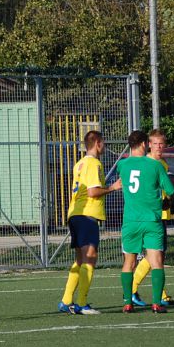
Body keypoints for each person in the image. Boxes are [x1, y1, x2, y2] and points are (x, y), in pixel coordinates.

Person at [58, 130, 122, 315]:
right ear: (98, 143)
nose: (105, 146)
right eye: (104, 143)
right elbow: (93, 192)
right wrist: (112, 187)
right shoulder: (94, 163)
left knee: (80, 259)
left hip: (75, 213)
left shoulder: (80, 163)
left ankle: (66, 300)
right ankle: (82, 303)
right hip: (86, 215)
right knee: (90, 257)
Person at [119, 130, 174, 314]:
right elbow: (170, 190)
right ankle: (157, 303)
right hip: (152, 220)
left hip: (130, 221)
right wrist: (163, 200)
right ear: (145, 144)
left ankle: (128, 302)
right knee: (157, 262)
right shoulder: (155, 165)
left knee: (129, 262)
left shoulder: (123, 165)